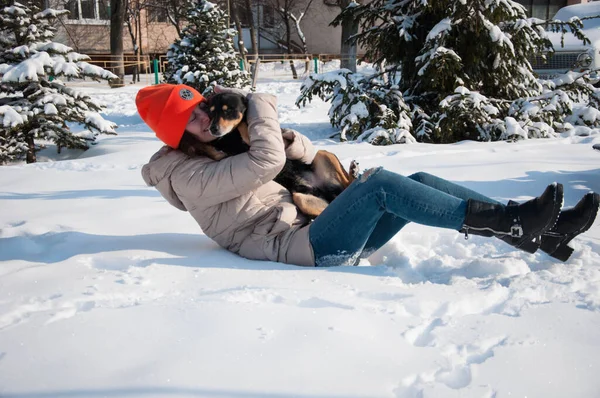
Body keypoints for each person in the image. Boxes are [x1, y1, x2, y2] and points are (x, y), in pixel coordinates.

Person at [138, 84, 599, 266]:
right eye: (192, 120)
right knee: (379, 187)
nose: (204, 119)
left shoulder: (216, 149)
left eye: (201, 108)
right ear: (175, 134)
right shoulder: (186, 178)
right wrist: (260, 105)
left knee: (419, 178)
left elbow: (300, 155)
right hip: (305, 247)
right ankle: (514, 225)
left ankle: (542, 231)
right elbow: (266, 163)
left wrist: (280, 132)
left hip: (321, 223)